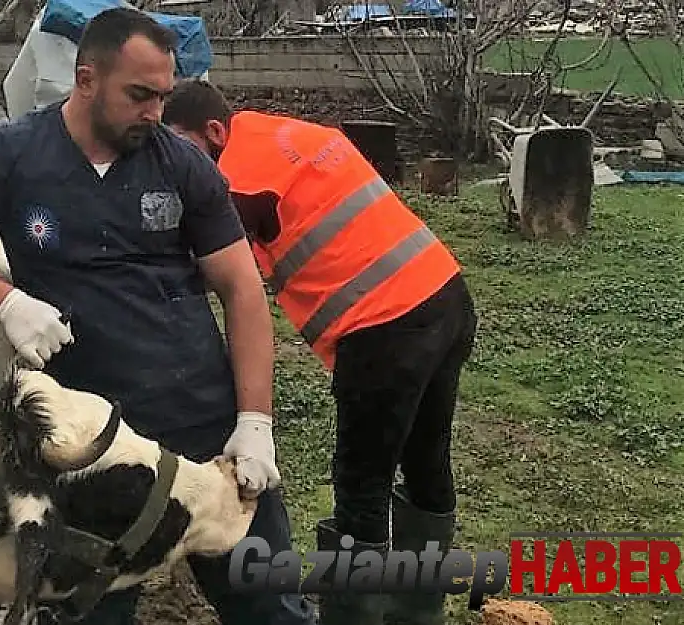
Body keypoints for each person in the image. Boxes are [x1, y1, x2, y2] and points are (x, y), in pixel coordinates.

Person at [0, 7, 319, 625]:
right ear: (86, 78)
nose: (154, 112)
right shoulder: (15, 155)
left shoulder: (181, 164)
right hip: (85, 446)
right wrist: (7, 302)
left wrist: (255, 419)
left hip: (200, 425)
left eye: (163, 95)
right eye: (139, 94)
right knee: (88, 610)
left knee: (268, 605)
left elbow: (241, 287)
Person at [162, 79, 478, 625]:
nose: (174, 165)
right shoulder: (282, 132)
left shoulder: (236, 178)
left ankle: (352, 616)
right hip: (444, 293)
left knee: (362, 484)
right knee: (427, 462)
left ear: (214, 132)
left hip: (385, 326)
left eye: (178, 146)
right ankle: (416, 613)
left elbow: (209, 268)